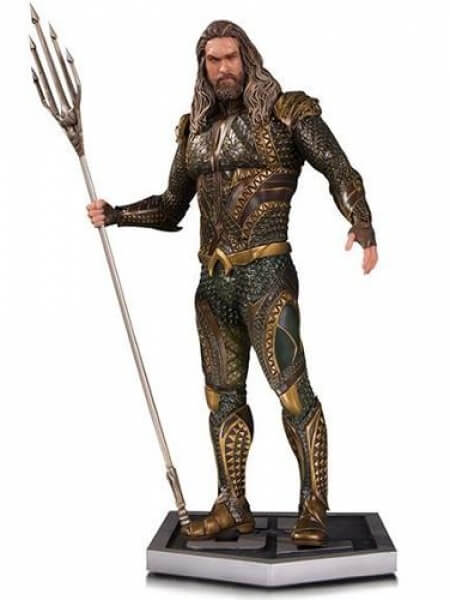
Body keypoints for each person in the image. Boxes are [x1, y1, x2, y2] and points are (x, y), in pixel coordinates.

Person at [87, 20, 378, 546]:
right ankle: (231, 504)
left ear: (248, 58)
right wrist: (117, 214)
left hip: (267, 278)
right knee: (221, 397)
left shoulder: (286, 114)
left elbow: (339, 169)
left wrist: (361, 222)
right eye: (213, 60)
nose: (223, 69)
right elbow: (171, 205)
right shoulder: (194, 132)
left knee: (292, 392)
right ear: (203, 66)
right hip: (214, 284)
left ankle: (313, 504)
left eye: (231, 58)